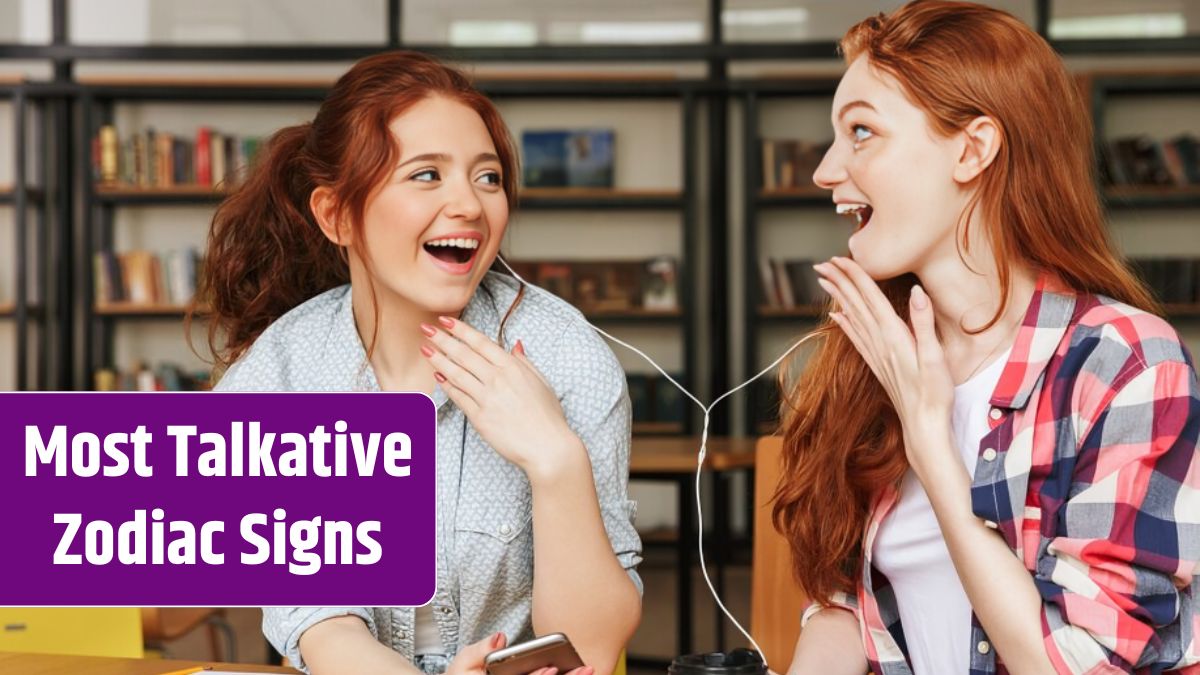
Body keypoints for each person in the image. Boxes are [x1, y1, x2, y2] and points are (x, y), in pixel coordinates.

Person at [772, 2, 1199, 674]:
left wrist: (933, 445)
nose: (826, 171)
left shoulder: (1126, 364)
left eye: (860, 132)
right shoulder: (867, 354)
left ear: (972, 150)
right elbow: (841, 604)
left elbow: (1085, 665)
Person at [194, 51, 642, 675]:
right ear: (337, 215)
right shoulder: (279, 378)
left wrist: (554, 460)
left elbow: (591, 647)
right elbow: (324, 628)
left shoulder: (567, 355)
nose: (469, 205)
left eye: (487, 178)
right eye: (427, 175)